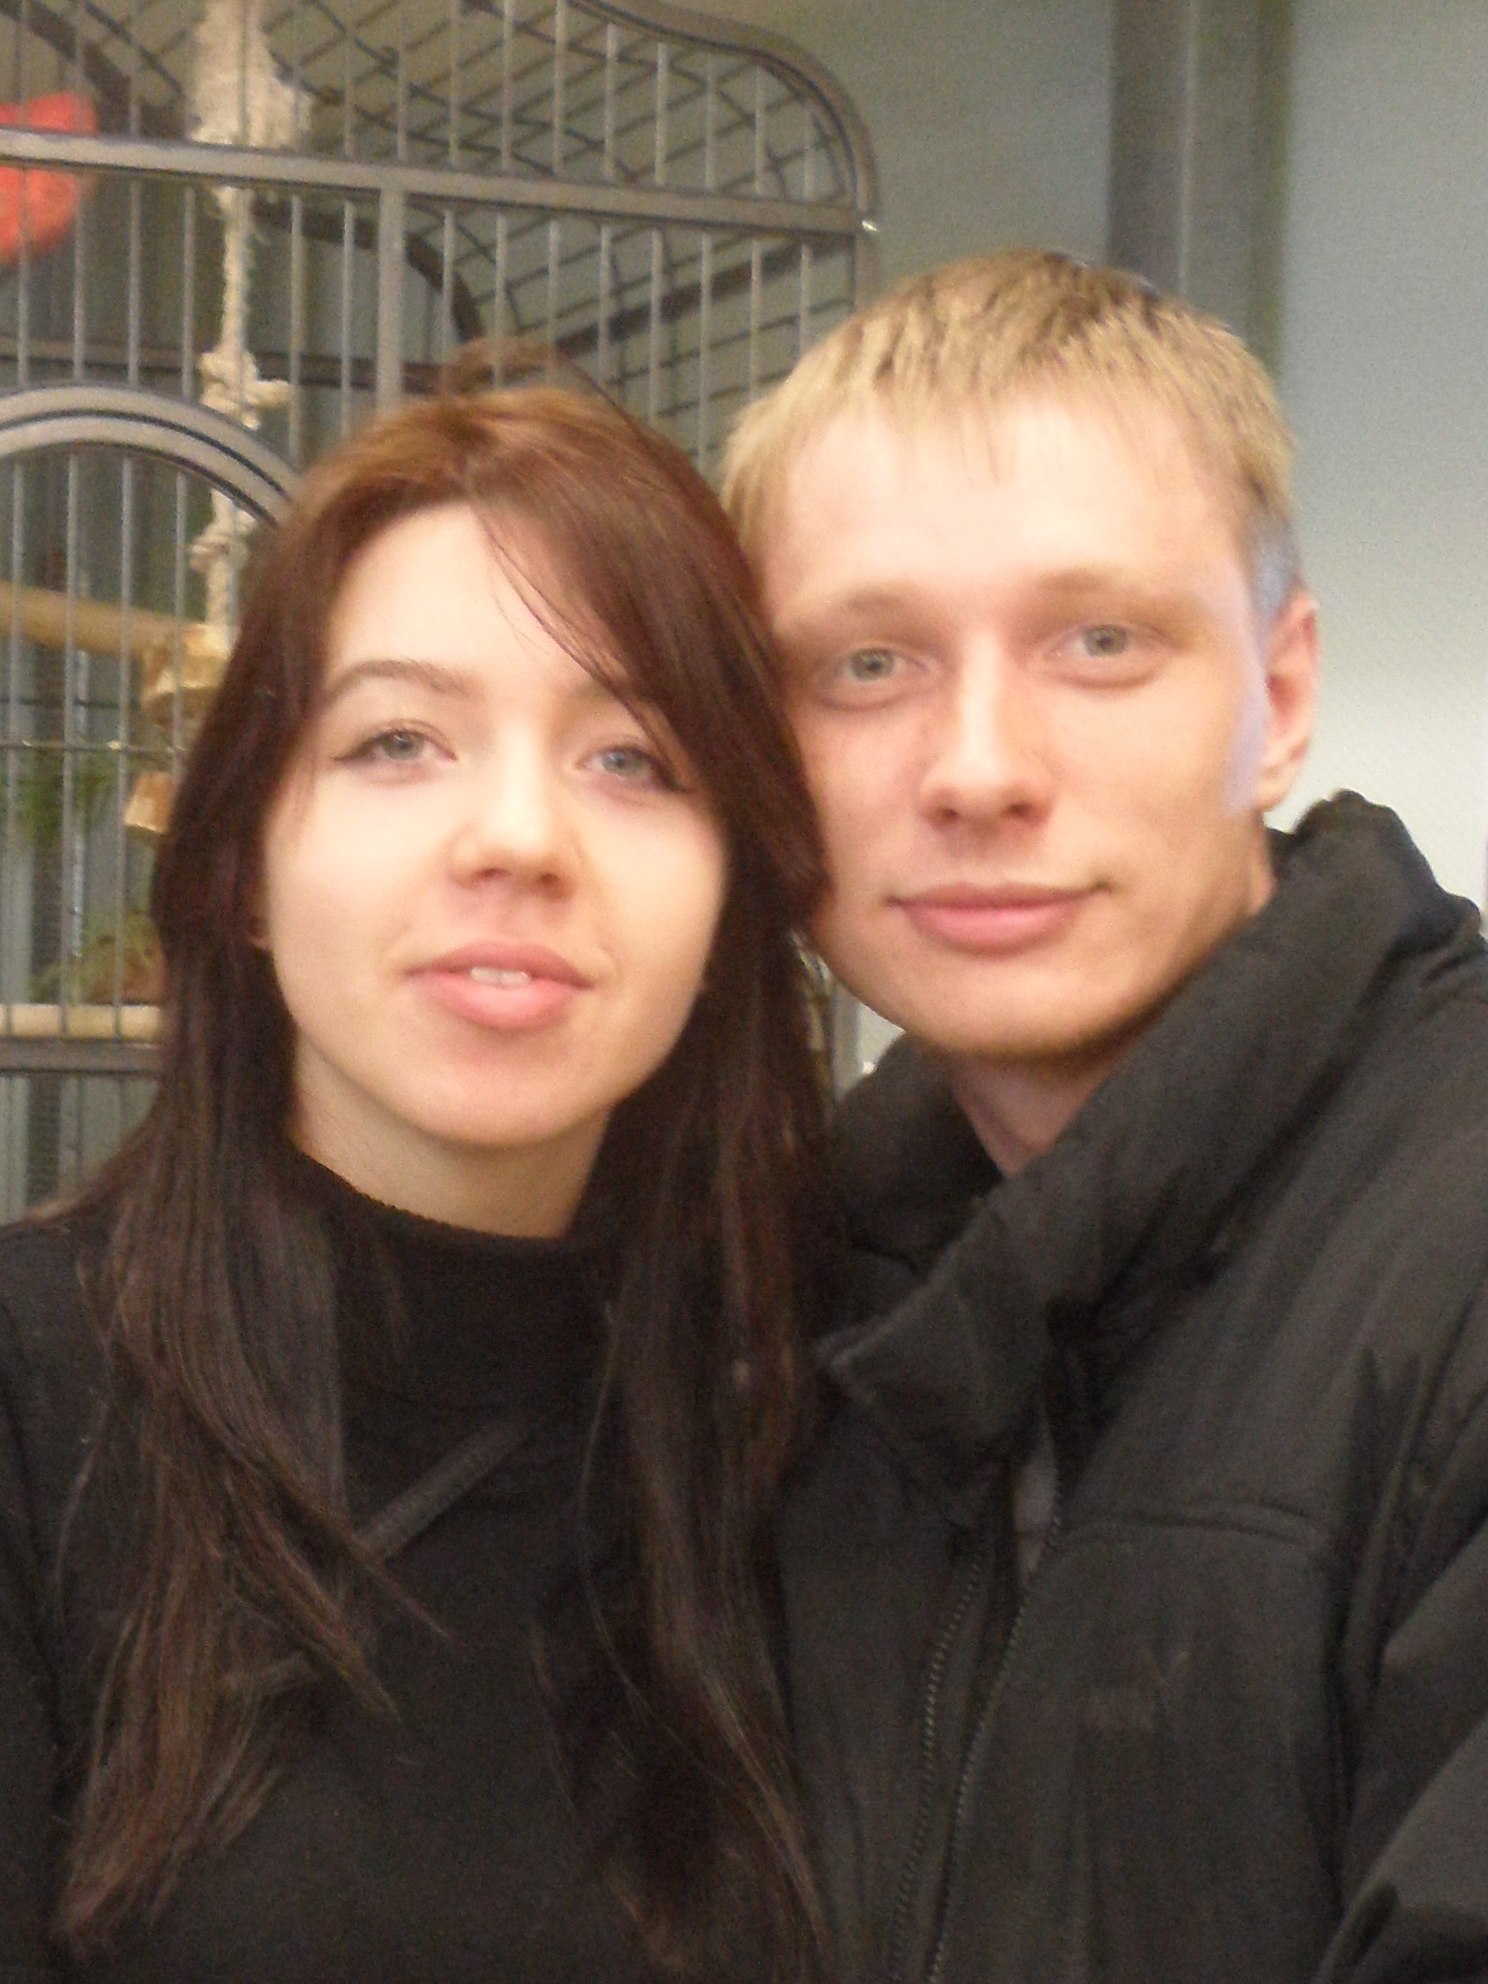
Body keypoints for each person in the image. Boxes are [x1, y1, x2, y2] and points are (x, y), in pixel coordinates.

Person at [0, 368, 831, 1981]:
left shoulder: (821, 1405)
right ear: (245, 864)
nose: (517, 836)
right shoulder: (39, 1402)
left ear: (734, 895)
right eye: (399, 742)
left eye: (632, 759)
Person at [722, 249, 1488, 1984]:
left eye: (1100, 643)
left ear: (1280, 698)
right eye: (867, 664)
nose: (979, 768)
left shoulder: (1451, 1259)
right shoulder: (790, 1307)